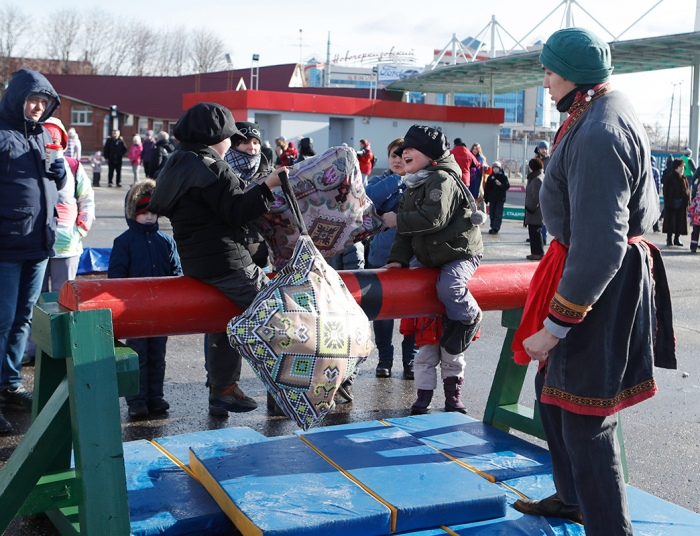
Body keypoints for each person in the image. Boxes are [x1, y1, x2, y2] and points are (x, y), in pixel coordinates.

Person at [511, 28, 673, 536]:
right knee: (550, 392)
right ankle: (571, 497)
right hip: (591, 268)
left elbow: (601, 244)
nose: (546, 80)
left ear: (574, 77)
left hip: (599, 280)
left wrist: (555, 326)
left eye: (550, 71)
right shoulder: (608, 104)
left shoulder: (599, 132)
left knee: (586, 415)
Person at [147, 102, 286, 417]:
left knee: (227, 321)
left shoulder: (177, 162)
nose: (231, 143)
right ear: (214, 136)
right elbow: (236, 212)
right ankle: (288, 389)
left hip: (197, 264)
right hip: (230, 263)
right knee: (278, 316)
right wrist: (269, 185)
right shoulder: (212, 165)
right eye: (229, 137)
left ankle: (224, 388)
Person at [382, 124, 485, 413]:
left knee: (449, 288)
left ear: (429, 154)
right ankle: (424, 398)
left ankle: (468, 317)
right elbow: (406, 234)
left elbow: (433, 219)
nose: (404, 154)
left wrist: (397, 220)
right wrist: (398, 260)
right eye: (402, 150)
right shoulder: (414, 182)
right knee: (426, 347)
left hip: (458, 253)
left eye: (410, 149)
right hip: (431, 256)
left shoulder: (441, 179)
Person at [0, 69, 66, 434]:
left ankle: (9, 385)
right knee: (1, 321)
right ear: (17, 98)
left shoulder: (43, 135)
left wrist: (59, 174)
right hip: (6, 244)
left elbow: (47, 183)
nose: (38, 108)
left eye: (44, 102)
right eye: (33, 100)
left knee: (23, 319)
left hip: (39, 243)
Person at [108, 180, 182, 418]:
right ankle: (136, 400)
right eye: (143, 213)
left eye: (152, 213)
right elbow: (116, 276)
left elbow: (176, 270)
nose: (149, 217)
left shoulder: (166, 240)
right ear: (133, 214)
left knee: (157, 355)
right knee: (138, 355)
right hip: (136, 310)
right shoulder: (124, 242)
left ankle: (155, 397)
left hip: (161, 309)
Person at [365, 137, 417, 379]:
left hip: (413, 259)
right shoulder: (381, 181)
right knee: (382, 313)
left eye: (403, 155)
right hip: (380, 258)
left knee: (412, 313)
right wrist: (398, 178)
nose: (398, 160)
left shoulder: (421, 183)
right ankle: (385, 358)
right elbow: (368, 199)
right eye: (394, 155)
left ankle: (411, 359)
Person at [41, 118, 95, 292]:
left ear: (62, 143)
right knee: (34, 297)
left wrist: (80, 229)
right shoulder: (28, 165)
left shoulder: (73, 166)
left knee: (63, 295)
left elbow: (86, 198)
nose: (49, 145)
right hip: (34, 244)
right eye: (45, 140)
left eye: (55, 141)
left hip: (66, 244)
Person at [223, 121, 272, 269]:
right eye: (245, 141)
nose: (252, 147)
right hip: (230, 252)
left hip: (261, 252)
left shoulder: (268, 175)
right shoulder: (222, 172)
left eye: (256, 142)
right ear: (234, 143)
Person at [662, 158, 690, 246]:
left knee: (679, 222)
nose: (682, 169)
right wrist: (668, 202)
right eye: (680, 167)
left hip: (682, 204)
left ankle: (677, 238)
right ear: (675, 167)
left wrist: (687, 200)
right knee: (671, 222)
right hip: (672, 203)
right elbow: (666, 190)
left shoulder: (684, 178)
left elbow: (687, 190)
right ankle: (669, 238)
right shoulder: (670, 177)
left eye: (683, 167)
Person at [524, 158, 545, 260]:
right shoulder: (538, 177)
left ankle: (537, 253)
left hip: (535, 212)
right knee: (534, 232)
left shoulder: (537, 179)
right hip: (536, 211)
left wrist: (530, 207)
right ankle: (535, 252)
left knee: (535, 233)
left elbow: (536, 197)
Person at [483, 161, 510, 234]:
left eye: (497, 168)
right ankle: (492, 226)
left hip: (500, 199)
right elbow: (487, 188)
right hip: (492, 198)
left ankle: (496, 227)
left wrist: (501, 184)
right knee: (492, 213)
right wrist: (486, 198)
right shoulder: (490, 177)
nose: (495, 170)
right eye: (494, 168)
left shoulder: (503, 177)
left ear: (500, 168)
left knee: (498, 213)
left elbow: (507, 186)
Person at [651, 156, 662, 232]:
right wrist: (657, 193)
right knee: (655, 210)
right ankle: (656, 227)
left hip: (644, 193)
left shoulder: (644, 169)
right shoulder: (655, 171)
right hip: (653, 194)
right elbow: (658, 184)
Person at [689, 185, 700, 253]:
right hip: (696, 220)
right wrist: (690, 216)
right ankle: (693, 246)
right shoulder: (696, 199)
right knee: (695, 234)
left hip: (696, 219)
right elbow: (692, 208)